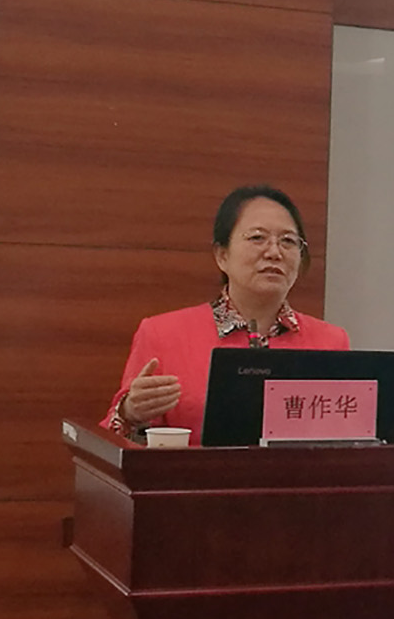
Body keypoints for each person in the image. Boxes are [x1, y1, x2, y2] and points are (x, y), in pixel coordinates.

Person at [103, 184, 349, 444]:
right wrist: (130, 413)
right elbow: (111, 444)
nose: (274, 252)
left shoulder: (331, 342)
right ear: (222, 255)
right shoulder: (163, 334)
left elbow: (349, 439)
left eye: (288, 241)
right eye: (257, 238)